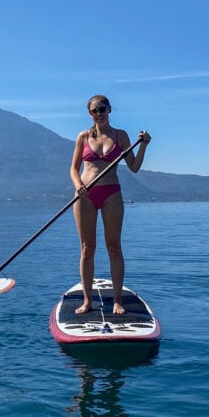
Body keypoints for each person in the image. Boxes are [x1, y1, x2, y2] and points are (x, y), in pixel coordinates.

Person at [69, 94, 151, 315]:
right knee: (88, 248)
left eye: (102, 109)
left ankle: (117, 301)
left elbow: (133, 167)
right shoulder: (83, 137)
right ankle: (87, 301)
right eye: (95, 110)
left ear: (109, 110)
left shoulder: (121, 136)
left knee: (113, 247)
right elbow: (73, 168)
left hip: (111, 194)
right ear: (90, 114)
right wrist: (78, 185)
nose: (99, 113)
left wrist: (143, 146)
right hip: (85, 196)